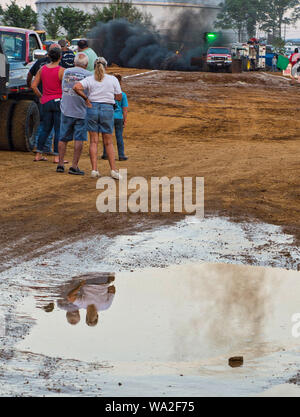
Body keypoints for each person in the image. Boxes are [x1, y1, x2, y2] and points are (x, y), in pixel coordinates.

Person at [73, 57, 123, 179]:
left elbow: (76, 87)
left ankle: (94, 170)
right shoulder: (112, 79)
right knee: (108, 142)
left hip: (93, 108)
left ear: (94, 67)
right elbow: (119, 97)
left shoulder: (89, 79)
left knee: (94, 141)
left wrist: (86, 98)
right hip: (107, 108)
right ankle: (113, 170)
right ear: (105, 67)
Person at [57, 53, 91, 175]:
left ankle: (60, 164)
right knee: (79, 138)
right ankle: (74, 166)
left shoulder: (66, 72)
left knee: (63, 138)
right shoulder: (89, 75)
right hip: (81, 110)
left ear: (74, 62)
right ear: (86, 64)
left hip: (66, 108)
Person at [31, 47, 65, 163]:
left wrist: (41, 96)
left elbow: (33, 86)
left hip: (46, 101)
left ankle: (38, 154)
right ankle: (57, 156)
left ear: (49, 56)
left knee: (45, 128)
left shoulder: (42, 69)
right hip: (59, 101)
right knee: (58, 129)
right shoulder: (62, 71)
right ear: (60, 57)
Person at [102, 73, 128, 161]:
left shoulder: (108, 93)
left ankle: (105, 154)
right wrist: (125, 120)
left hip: (108, 116)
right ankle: (121, 155)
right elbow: (124, 109)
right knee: (119, 136)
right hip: (119, 118)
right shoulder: (123, 95)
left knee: (106, 135)